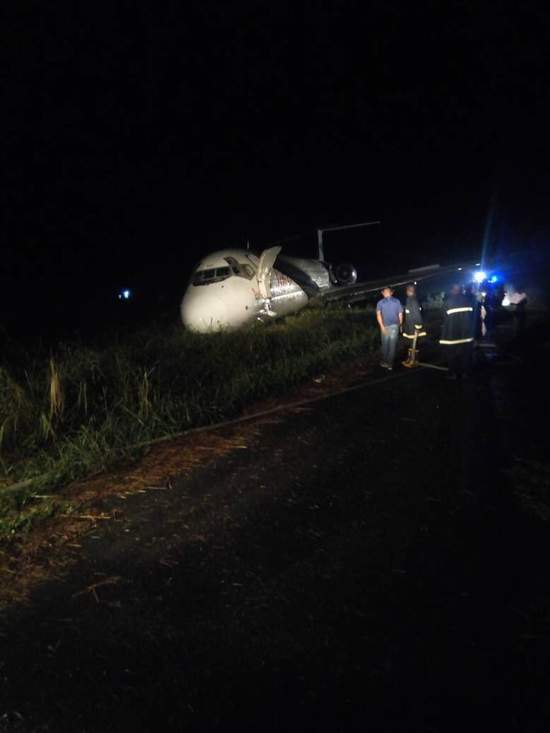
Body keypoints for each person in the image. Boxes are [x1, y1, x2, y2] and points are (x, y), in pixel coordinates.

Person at [439, 283, 475, 379]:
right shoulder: (468, 300)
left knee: (452, 355)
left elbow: (443, 316)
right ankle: (465, 373)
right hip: (466, 334)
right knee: (466, 355)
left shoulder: (448, 302)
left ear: (452, 290)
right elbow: (473, 316)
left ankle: (453, 374)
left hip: (452, 335)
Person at [376, 286, 403, 370]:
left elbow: (378, 315)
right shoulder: (397, 301)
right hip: (395, 326)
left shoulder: (380, 302)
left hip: (385, 326)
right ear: (391, 293)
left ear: (383, 293)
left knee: (385, 346)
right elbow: (400, 315)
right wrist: (400, 325)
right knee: (392, 346)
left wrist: (382, 327)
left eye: (384, 292)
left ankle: (385, 362)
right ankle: (390, 365)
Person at [402, 284, 427, 360]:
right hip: (410, 326)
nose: (406, 292)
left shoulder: (413, 300)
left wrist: (418, 326)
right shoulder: (410, 299)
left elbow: (417, 314)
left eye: (407, 290)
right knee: (412, 343)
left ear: (409, 291)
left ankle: (414, 359)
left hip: (413, 327)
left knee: (414, 344)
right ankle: (411, 358)